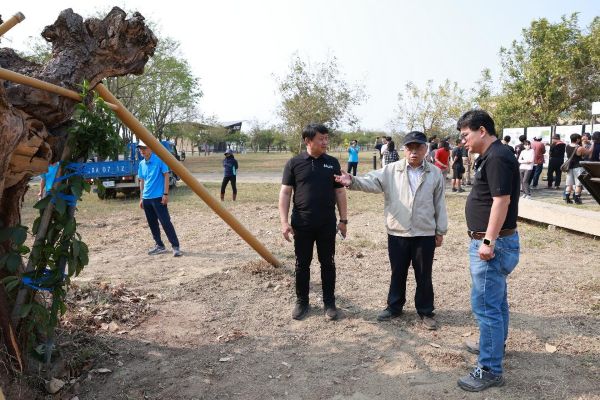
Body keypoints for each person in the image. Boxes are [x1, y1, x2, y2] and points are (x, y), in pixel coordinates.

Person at [335, 131, 447, 330]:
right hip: (398, 231)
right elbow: (371, 181)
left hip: (424, 232)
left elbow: (439, 204)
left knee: (424, 274)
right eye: (410, 148)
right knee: (398, 271)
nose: (414, 152)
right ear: (404, 149)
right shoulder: (391, 170)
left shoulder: (435, 173)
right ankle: (394, 306)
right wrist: (352, 180)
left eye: (418, 147)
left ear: (425, 149)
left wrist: (440, 231)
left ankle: (425, 311)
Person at [456, 110, 520, 392]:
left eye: (465, 135)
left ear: (481, 130)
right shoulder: (492, 155)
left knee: (486, 307)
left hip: (492, 244)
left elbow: (501, 201)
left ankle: (490, 369)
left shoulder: (497, 157)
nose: (463, 141)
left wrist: (488, 241)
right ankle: (494, 345)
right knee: (497, 302)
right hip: (494, 242)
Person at [278, 123, 348, 321]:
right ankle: (302, 301)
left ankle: (329, 302)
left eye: (326, 138)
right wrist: (284, 222)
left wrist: (343, 220)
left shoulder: (332, 163)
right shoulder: (294, 163)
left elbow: (340, 192)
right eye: (321, 139)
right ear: (308, 141)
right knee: (302, 264)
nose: (325, 142)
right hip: (302, 223)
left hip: (326, 223)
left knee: (328, 263)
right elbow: (285, 193)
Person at [138, 141, 182, 257]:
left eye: (144, 148)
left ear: (150, 148)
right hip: (146, 198)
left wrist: (165, 194)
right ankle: (159, 245)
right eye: (140, 149)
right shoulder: (141, 164)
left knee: (165, 222)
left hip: (158, 197)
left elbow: (166, 176)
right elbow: (142, 180)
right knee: (152, 223)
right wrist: (141, 198)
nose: (142, 151)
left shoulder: (159, 160)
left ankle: (175, 247)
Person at [564, 133, 592, 205]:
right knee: (578, 184)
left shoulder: (567, 146)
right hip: (578, 167)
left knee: (569, 184)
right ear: (577, 139)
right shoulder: (579, 148)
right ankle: (577, 199)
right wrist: (592, 144)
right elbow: (588, 152)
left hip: (569, 167)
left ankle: (567, 199)